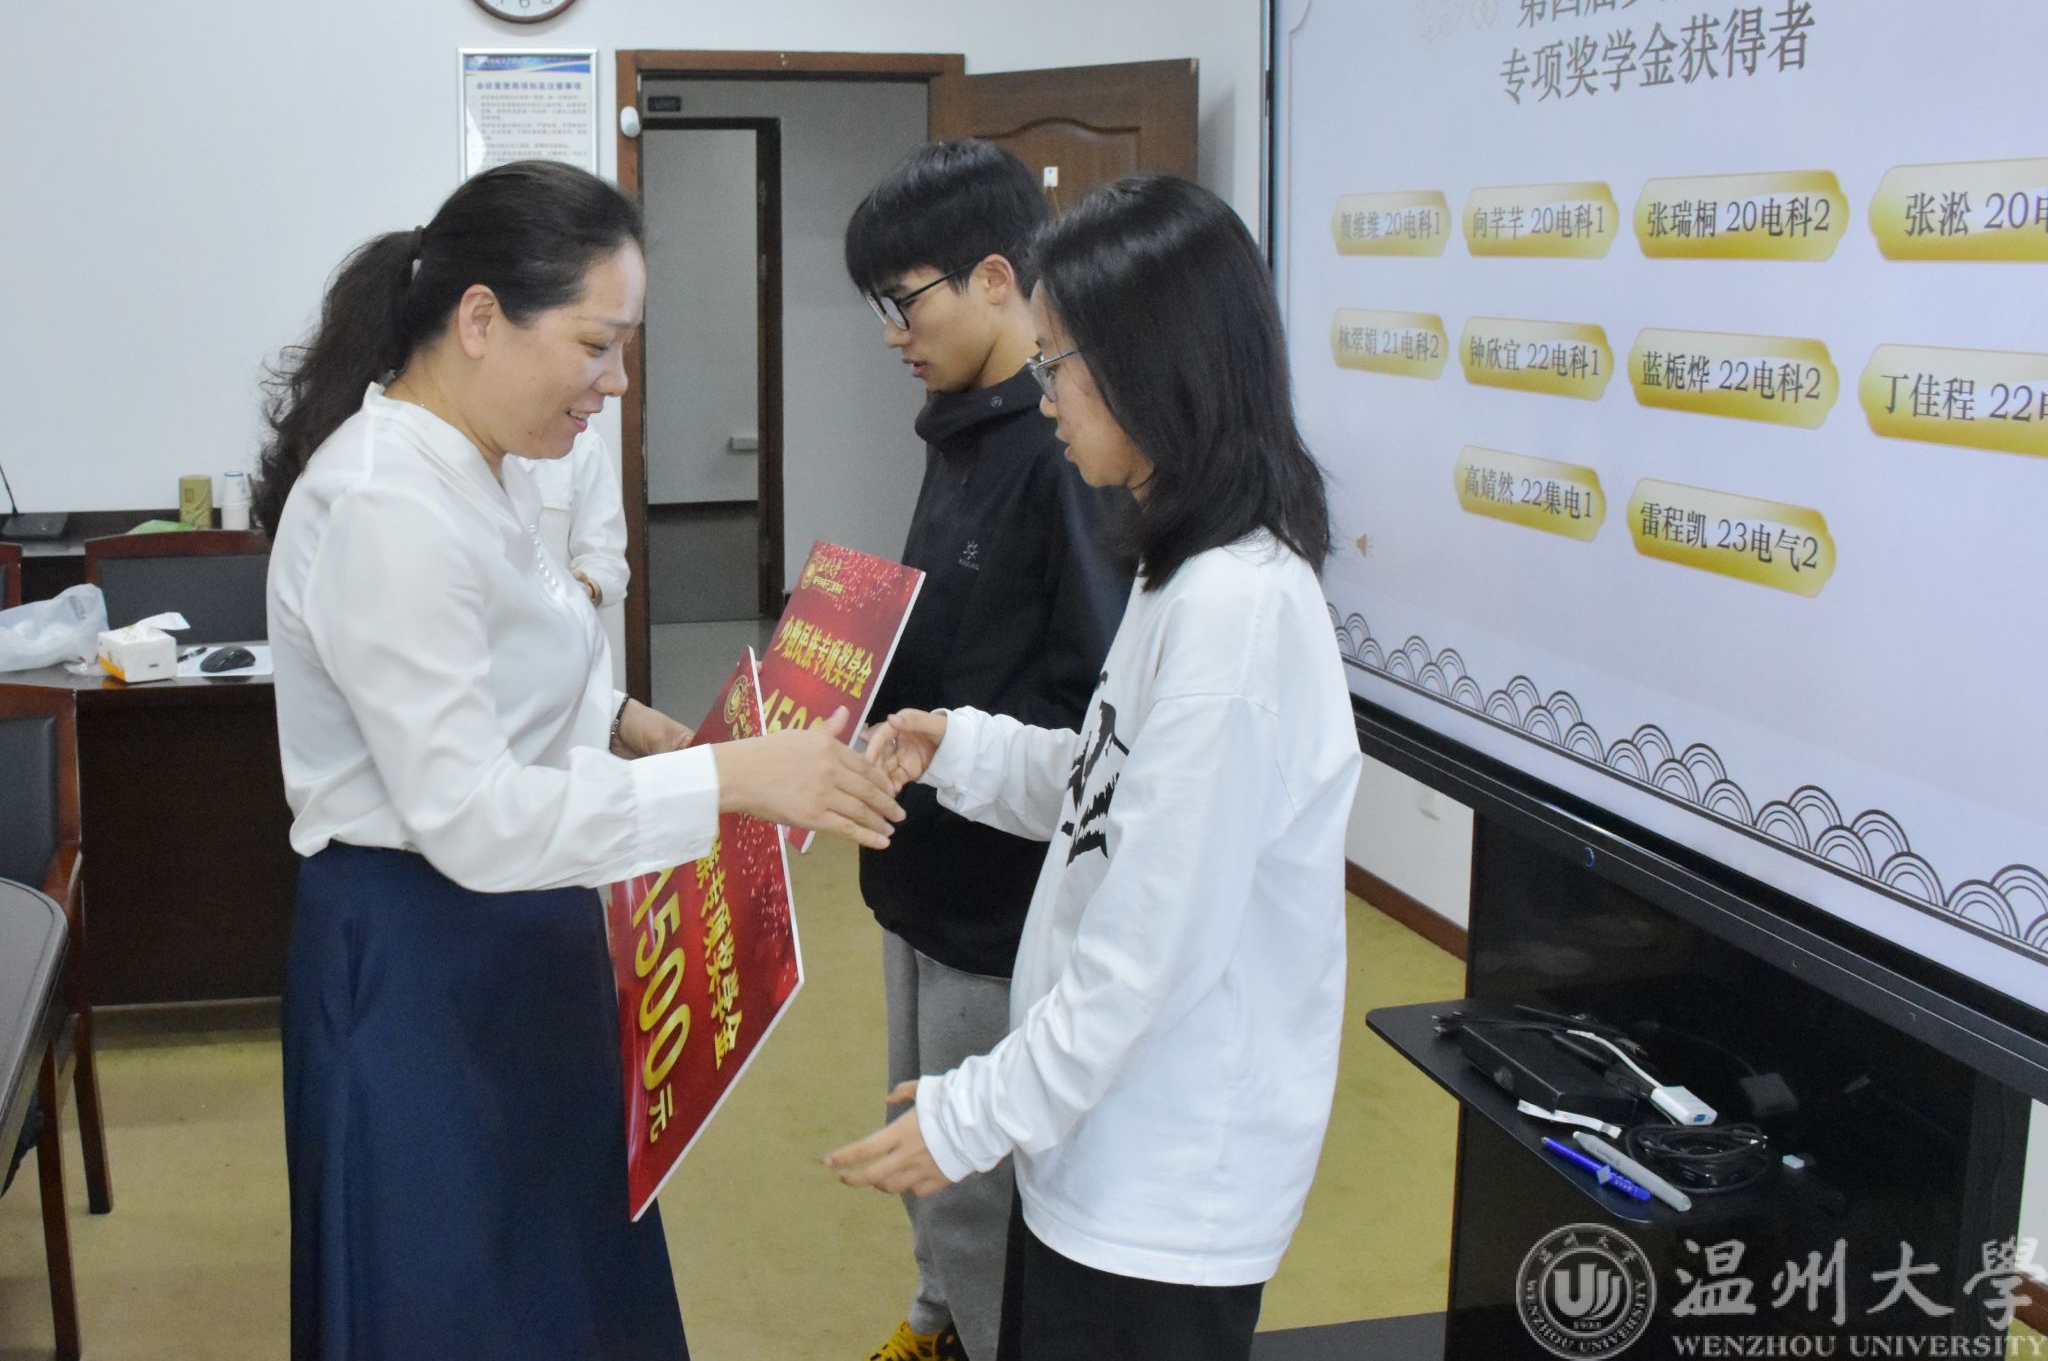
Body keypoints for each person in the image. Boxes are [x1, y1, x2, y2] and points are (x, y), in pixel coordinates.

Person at [255, 159, 905, 1361]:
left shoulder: (478, 465)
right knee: (463, 1293)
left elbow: (500, 662)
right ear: (479, 317)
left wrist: (631, 722)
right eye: (596, 346)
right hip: (425, 954)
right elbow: (472, 814)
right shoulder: (386, 506)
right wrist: (728, 780)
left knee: (556, 1275)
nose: (615, 383)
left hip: (515, 934)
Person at [827, 173, 1362, 1361]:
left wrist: (976, 1109)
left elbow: (1147, 948)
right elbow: (1107, 777)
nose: (1043, 391)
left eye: (1059, 362)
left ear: (1152, 368)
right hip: (1101, 1145)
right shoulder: (1185, 570)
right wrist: (961, 745)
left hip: (1168, 1176)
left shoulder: (1235, 614)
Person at [841, 140, 1132, 1361]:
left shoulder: (1066, 456)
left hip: (1000, 896)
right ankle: (939, 1323)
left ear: (997, 277)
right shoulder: (960, 428)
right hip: (921, 856)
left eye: (904, 301)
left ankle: (979, 1329)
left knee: (971, 1173)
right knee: (921, 1130)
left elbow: (1094, 719)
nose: (891, 332)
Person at [522, 427, 629, 609]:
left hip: (555, 616)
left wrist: (587, 588)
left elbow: (604, 556)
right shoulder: (470, 445)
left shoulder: (582, 442)